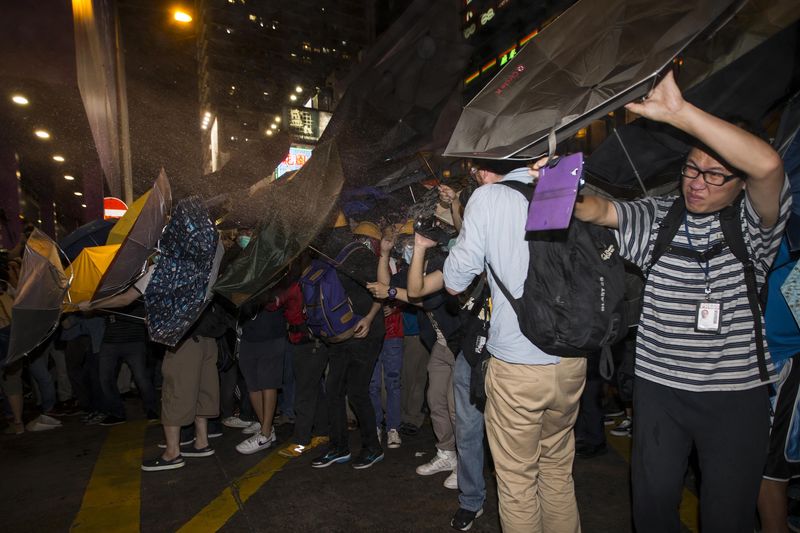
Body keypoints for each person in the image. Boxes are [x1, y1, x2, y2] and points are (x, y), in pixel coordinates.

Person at [573, 70, 789, 532]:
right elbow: (596, 210)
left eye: (714, 175)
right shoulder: (659, 217)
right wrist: (553, 180)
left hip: (735, 396)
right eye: (691, 168)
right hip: (658, 390)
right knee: (651, 511)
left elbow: (768, 167)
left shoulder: (752, 227)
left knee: (725, 516)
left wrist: (681, 113)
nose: (697, 182)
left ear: (738, 184)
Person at [443, 156, 586, 533]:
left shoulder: (489, 197)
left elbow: (456, 280)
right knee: (557, 471)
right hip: (571, 357)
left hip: (518, 362)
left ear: (485, 167)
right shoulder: (564, 187)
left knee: (518, 482)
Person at [310, 221, 386, 470]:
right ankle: (339, 447)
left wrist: (369, 317)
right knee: (333, 390)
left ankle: (372, 448)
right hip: (341, 335)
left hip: (366, 332)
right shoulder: (325, 257)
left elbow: (383, 289)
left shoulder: (358, 254)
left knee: (356, 391)